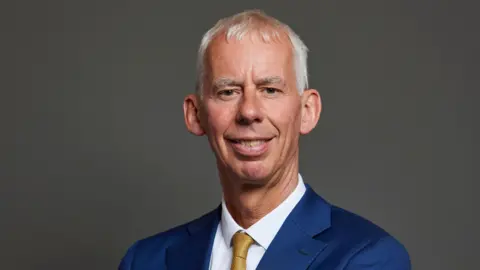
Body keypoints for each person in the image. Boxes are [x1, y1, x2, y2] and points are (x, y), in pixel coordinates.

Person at [118, 9, 411, 270]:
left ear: (307, 111)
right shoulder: (145, 261)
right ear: (196, 115)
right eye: (228, 91)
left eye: (270, 90)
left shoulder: (368, 257)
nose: (249, 111)